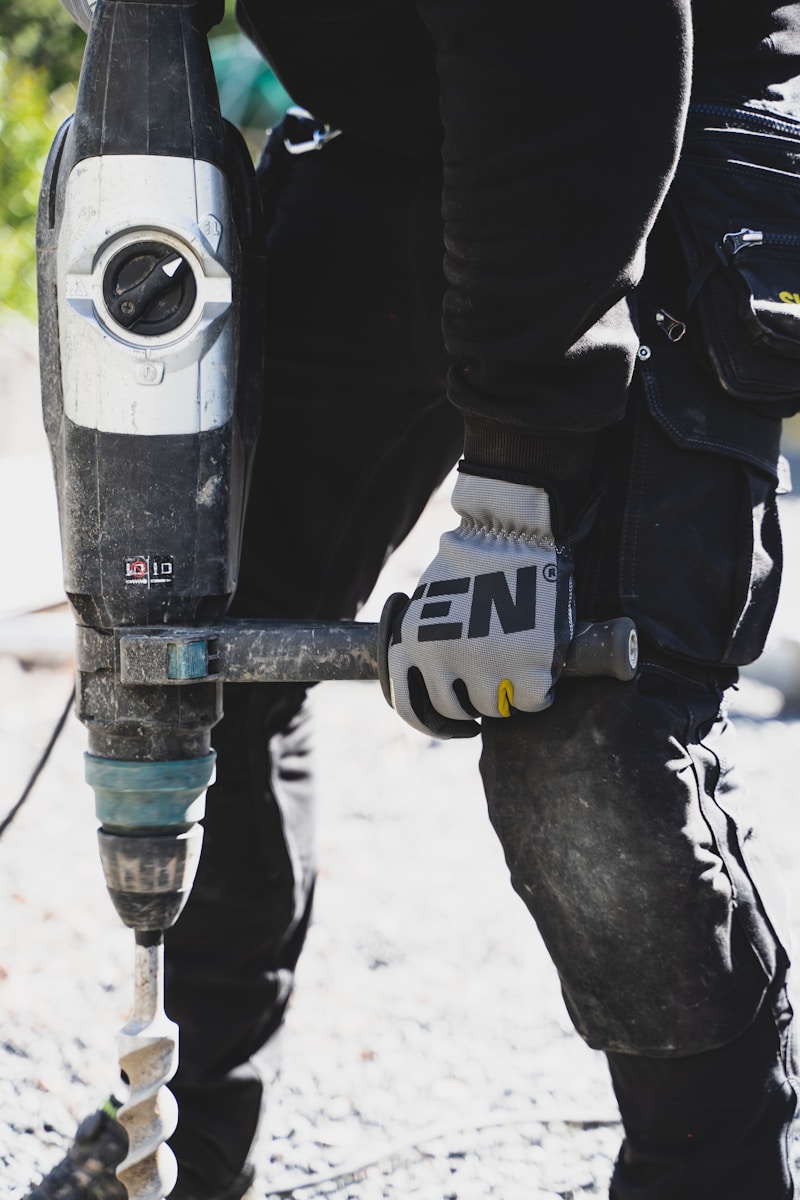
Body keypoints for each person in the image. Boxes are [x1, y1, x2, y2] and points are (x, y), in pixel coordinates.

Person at [28, 1, 800, 1198]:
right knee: (181, 645)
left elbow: (580, 53)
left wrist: (515, 489)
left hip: (654, 122)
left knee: (583, 746)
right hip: (393, 133)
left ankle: (714, 1175)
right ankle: (176, 1137)